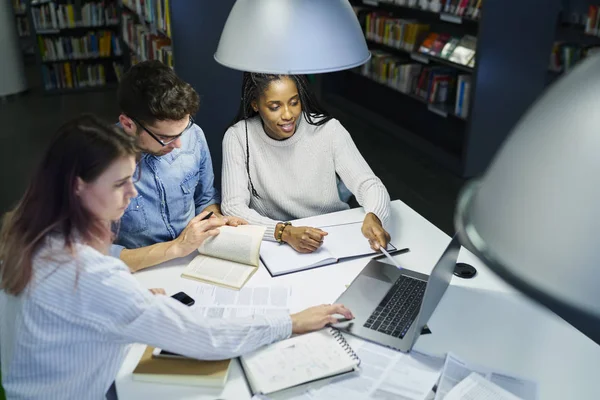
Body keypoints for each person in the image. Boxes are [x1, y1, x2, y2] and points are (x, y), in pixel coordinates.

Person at [0, 115, 353, 400]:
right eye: (120, 183)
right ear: (78, 185)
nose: (132, 192)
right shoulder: (90, 275)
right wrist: (291, 322)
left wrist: (128, 304)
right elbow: (203, 337)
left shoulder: (29, 231)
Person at [221, 73, 392, 254]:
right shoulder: (238, 136)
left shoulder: (329, 129)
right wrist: (284, 232)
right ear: (255, 104)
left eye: (294, 102)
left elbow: (369, 184)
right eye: (274, 106)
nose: (288, 114)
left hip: (332, 236)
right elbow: (233, 207)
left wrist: (375, 216)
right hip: (274, 245)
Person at [114, 61, 246, 272]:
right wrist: (177, 247)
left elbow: (205, 198)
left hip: (195, 260)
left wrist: (215, 221)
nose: (179, 145)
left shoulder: (194, 135)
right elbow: (97, 256)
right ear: (128, 124)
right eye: (166, 137)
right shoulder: (97, 166)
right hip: (140, 273)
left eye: (183, 130)